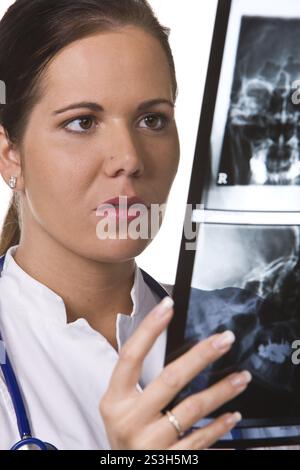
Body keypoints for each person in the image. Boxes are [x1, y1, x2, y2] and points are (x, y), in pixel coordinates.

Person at [0, 0, 252, 450]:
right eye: (82, 122)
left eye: (152, 119)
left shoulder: (234, 340)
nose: (130, 159)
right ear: (9, 154)